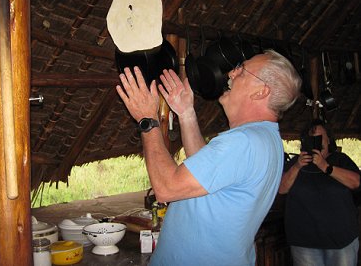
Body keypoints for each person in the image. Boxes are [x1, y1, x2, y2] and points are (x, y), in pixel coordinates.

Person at [116, 49, 301, 265]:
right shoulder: (265, 138)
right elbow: (206, 174)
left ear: (261, 92)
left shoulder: (244, 142)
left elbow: (167, 188)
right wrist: (186, 113)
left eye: (242, 71)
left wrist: (148, 120)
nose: (232, 73)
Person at [279, 119, 360, 266]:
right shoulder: (297, 162)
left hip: (340, 240)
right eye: (312, 138)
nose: (316, 141)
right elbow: (282, 189)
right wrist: (297, 166)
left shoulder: (340, 159)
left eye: (320, 137)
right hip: (304, 242)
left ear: (329, 139)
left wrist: (326, 167)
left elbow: (356, 182)